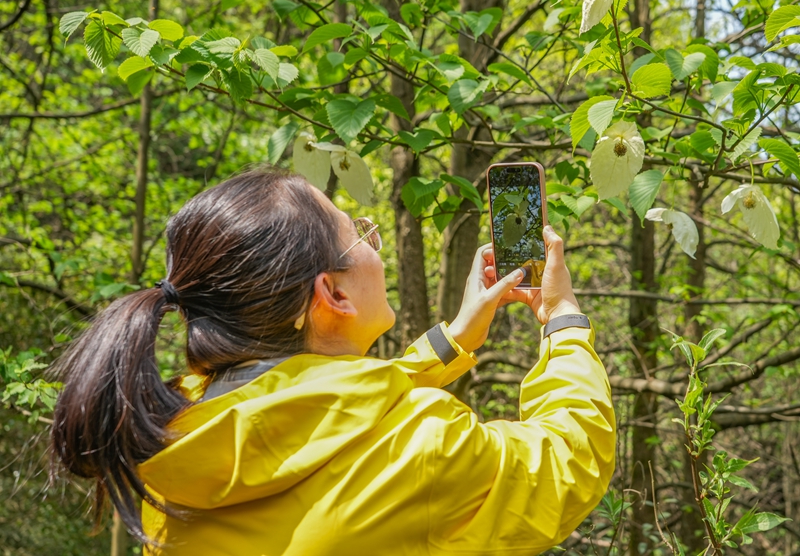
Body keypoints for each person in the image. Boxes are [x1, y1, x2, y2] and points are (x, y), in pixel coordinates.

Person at [51, 168, 615, 555]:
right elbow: (571, 457)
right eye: (361, 234)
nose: (378, 245)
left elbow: (319, 408)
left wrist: (453, 339)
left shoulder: (170, 432)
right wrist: (561, 317)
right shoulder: (420, 443)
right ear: (333, 295)